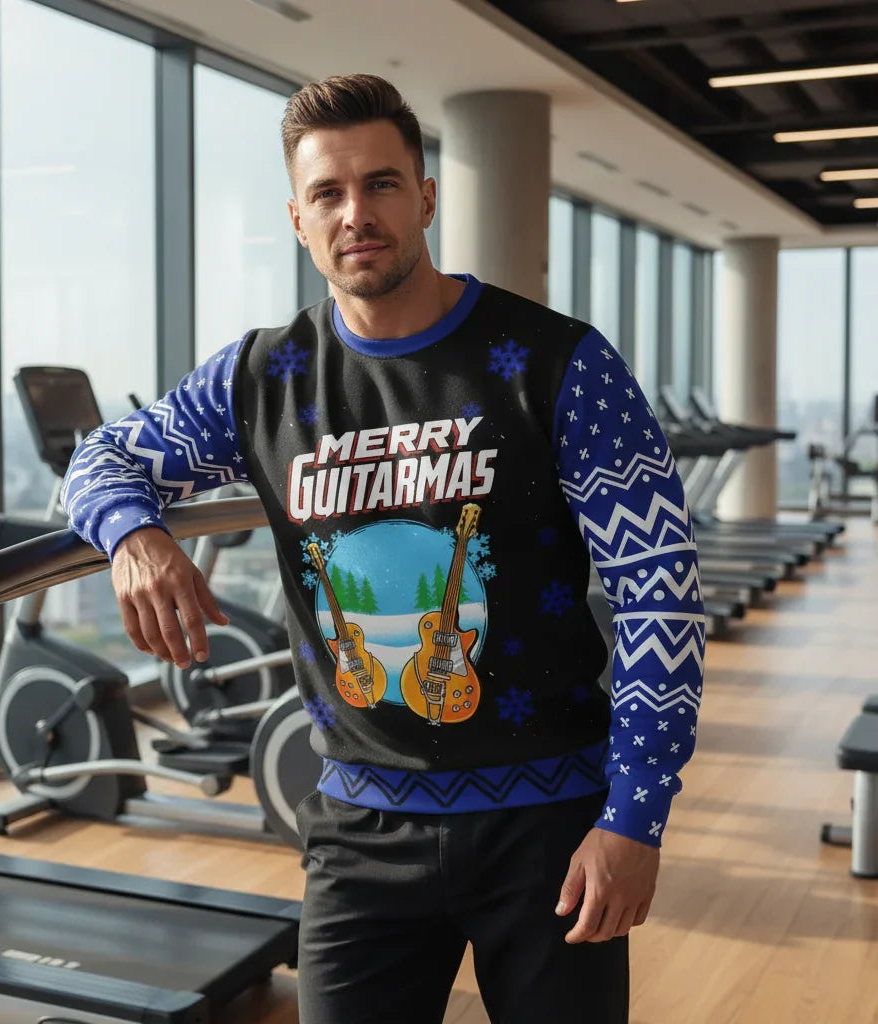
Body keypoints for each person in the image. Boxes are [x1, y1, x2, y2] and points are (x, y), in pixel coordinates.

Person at [62, 73, 705, 1024]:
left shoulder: (558, 362)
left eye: (382, 184)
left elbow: (660, 594)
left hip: (550, 827)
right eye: (328, 193)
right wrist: (136, 535)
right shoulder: (262, 376)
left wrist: (636, 815)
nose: (356, 213)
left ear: (428, 197)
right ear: (297, 217)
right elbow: (100, 458)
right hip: (360, 830)